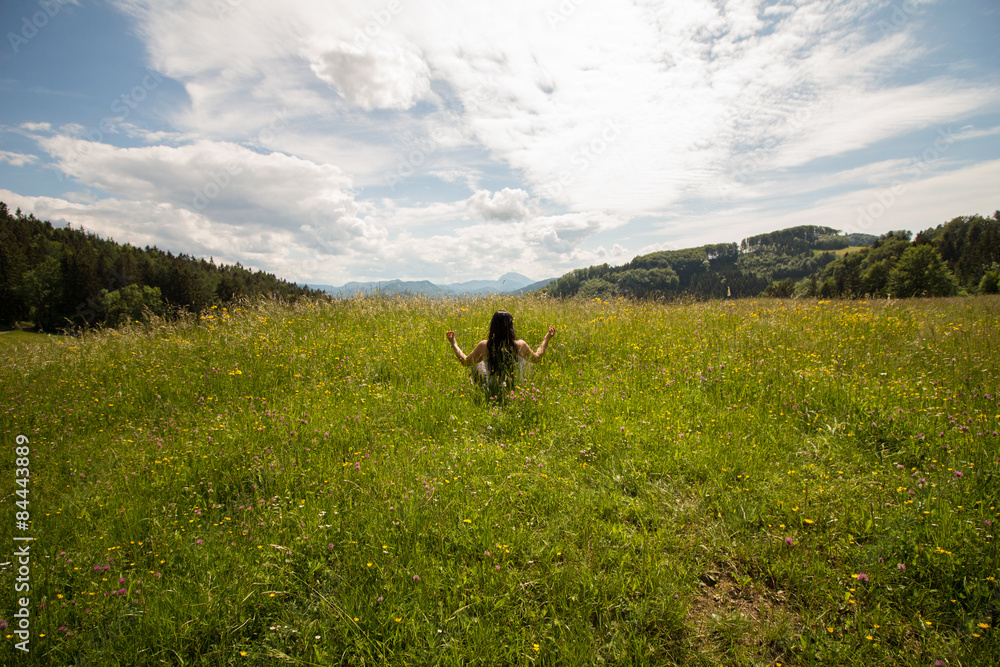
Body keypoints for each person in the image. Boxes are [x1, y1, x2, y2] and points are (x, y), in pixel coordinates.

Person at [446, 310, 556, 398]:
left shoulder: (484, 346)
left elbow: (465, 362)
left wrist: (453, 343)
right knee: (527, 363)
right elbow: (537, 358)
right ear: (510, 327)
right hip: (518, 390)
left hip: (493, 390)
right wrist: (547, 338)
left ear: (492, 326)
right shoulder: (520, 345)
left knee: (475, 365)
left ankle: (477, 384)